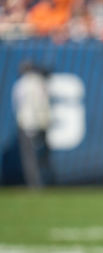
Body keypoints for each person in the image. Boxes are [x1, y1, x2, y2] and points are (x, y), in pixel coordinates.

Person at [12, 60, 53, 188]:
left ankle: (34, 184)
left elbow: (17, 106)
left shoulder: (21, 84)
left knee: (29, 157)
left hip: (27, 123)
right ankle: (45, 181)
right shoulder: (39, 83)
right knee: (42, 156)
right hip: (41, 122)